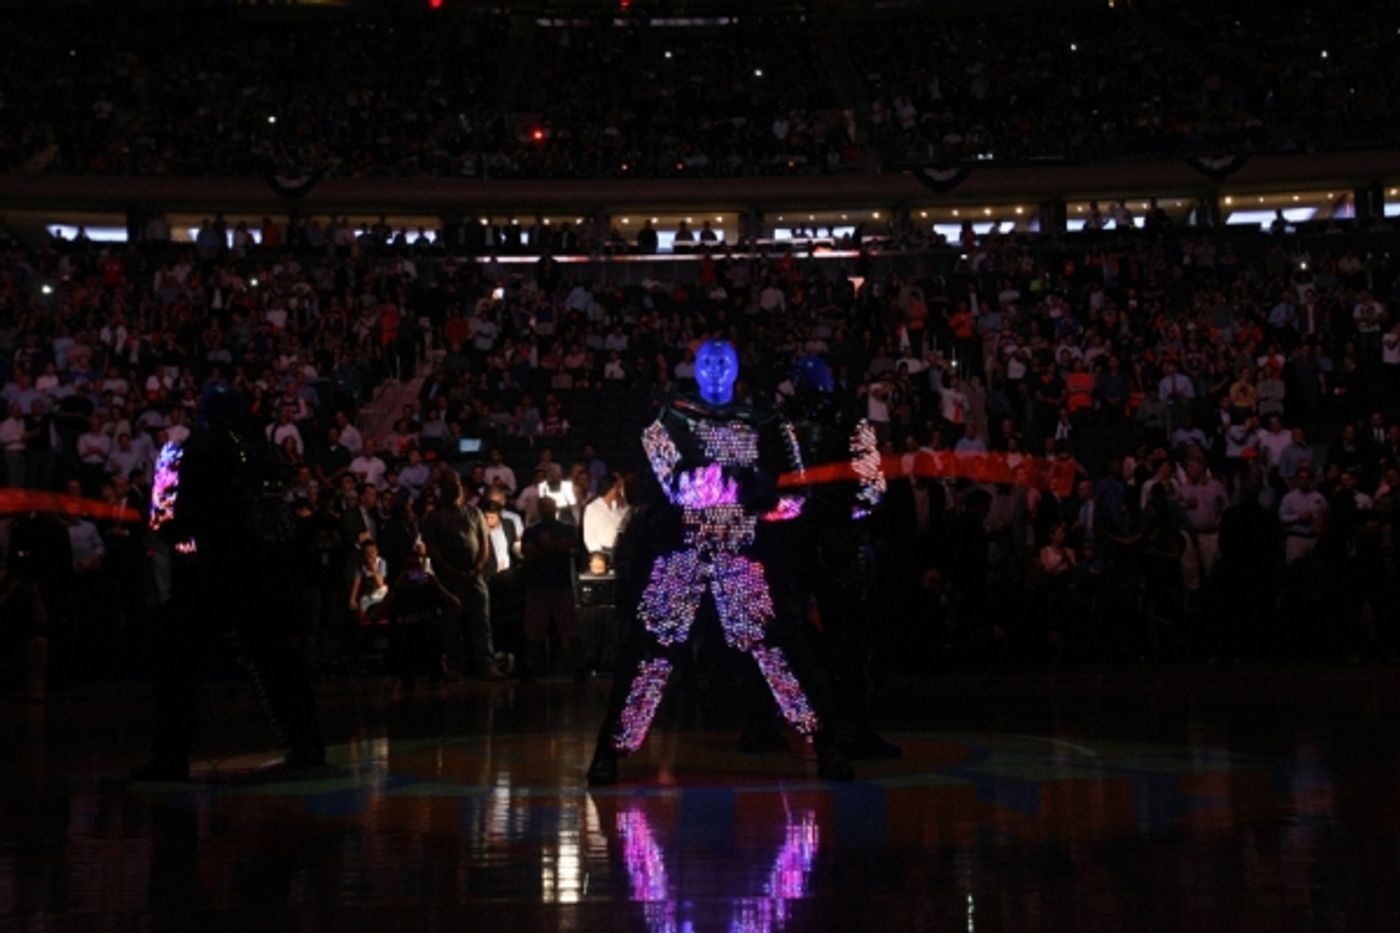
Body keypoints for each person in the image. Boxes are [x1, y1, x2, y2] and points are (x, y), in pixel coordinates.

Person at [587, 339, 851, 785]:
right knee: (650, 651)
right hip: (681, 552)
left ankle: (826, 743)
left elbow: (793, 494)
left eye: (722, 361)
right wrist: (743, 486)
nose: (713, 369)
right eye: (706, 360)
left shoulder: (765, 421)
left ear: (735, 368)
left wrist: (756, 495)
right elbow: (675, 485)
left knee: (778, 649)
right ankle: (610, 748)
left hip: (741, 551)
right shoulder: (669, 419)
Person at [130, 386, 323, 783]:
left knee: (176, 660)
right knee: (277, 659)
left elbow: (168, 518)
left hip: (209, 570)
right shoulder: (264, 450)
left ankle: (171, 755)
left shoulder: (191, 449)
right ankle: (308, 744)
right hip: (264, 574)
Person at [419, 470, 502, 679]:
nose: (454, 487)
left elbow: (484, 543)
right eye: (449, 483)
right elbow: (432, 547)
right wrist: (448, 568)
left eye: (456, 482)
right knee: (452, 624)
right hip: (448, 579)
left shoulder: (475, 513)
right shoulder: (434, 517)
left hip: (475, 577)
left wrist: (478, 567)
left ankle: (486, 665)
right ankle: (455, 666)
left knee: (482, 622)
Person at [519, 497, 584, 682]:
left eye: (549, 507)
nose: (547, 510)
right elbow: (528, 550)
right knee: (534, 630)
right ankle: (532, 668)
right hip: (540, 586)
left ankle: (579, 666)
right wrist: (555, 547)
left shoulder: (565, 528)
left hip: (558, 585)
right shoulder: (534, 531)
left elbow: (568, 545)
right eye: (544, 507)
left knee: (569, 628)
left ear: (555, 508)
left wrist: (546, 546)